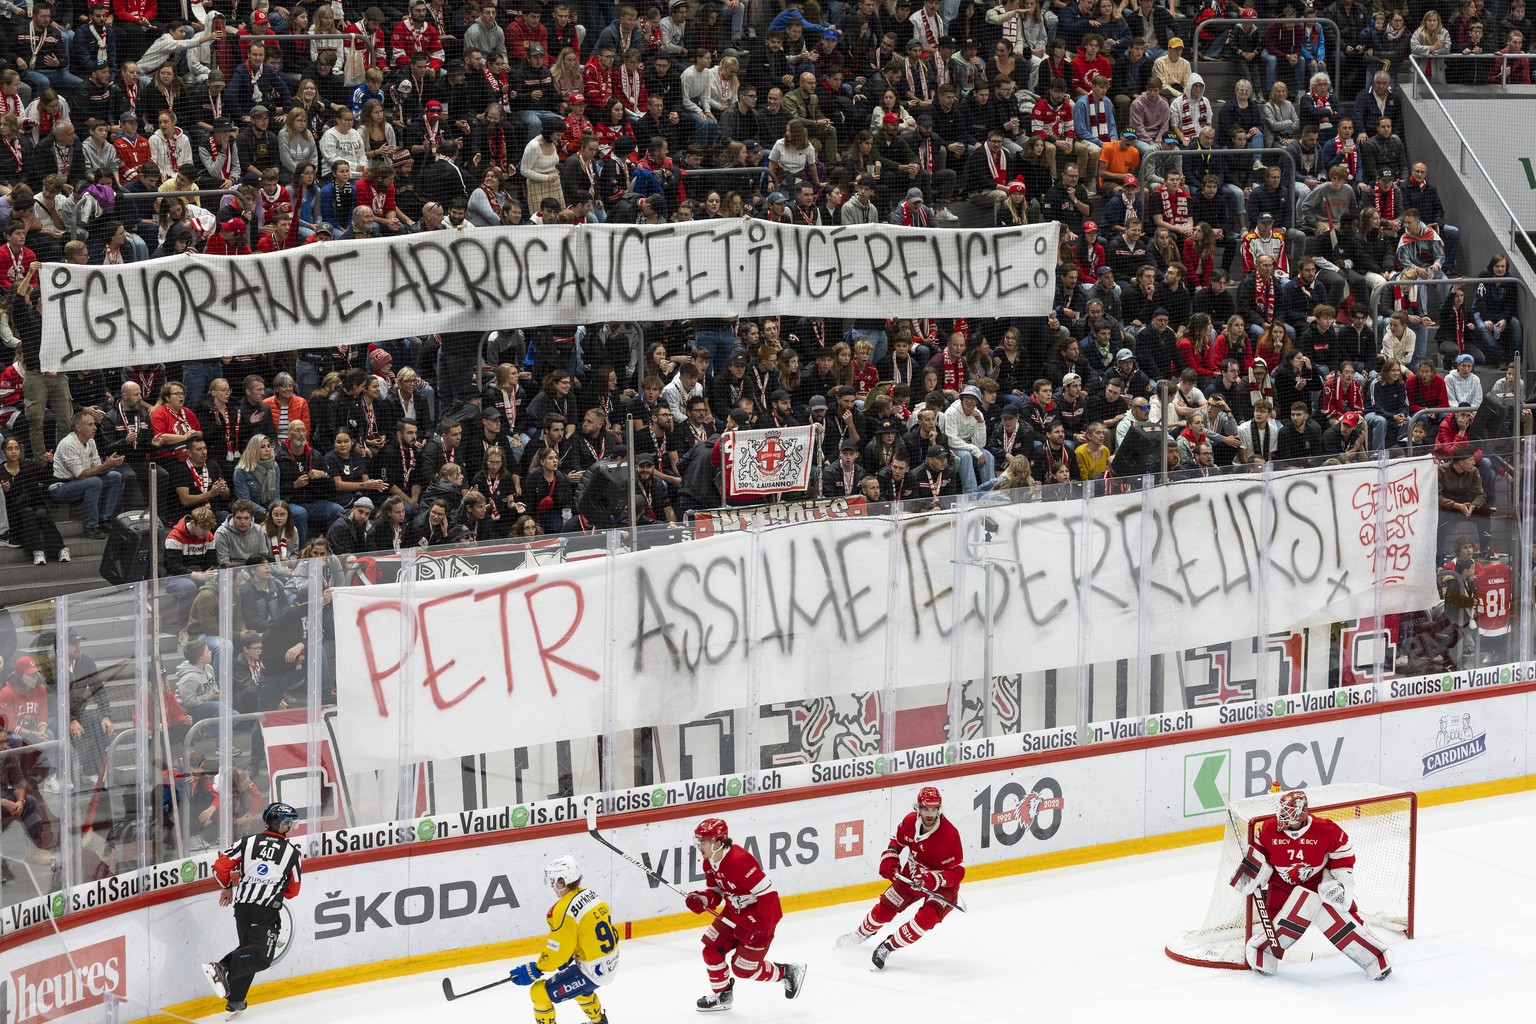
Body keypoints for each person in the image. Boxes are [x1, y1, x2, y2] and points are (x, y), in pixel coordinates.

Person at [1230, 789, 1392, 979]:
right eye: (1282, 811)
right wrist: (1251, 872)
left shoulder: (1325, 830)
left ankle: (1375, 957)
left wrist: (1341, 882)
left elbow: (1343, 852)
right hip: (1282, 886)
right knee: (1276, 926)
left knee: (1345, 918)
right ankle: (1263, 953)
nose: (1282, 816)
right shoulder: (1268, 828)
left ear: (1301, 813)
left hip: (1316, 884)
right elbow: (1259, 852)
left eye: (1288, 813)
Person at [685, 817, 807, 1011]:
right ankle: (722, 995)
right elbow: (716, 893)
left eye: (703, 842)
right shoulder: (709, 862)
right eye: (697, 841)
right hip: (733, 914)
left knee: (743, 970)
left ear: (717, 842)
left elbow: (769, 895)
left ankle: (787, 972)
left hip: (761, 918)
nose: (699, 846)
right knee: (711, 951)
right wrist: (703, 899)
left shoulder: (738, 860)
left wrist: (755, 924)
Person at [837, 786, 965, 968]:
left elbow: (958, 873)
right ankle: (861, 934)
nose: (929, 814)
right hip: (912, 875)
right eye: (925, 809)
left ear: (939, 810)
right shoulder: (909, 822)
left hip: (942, 885)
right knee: (885, 908)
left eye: (934, 809)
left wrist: (932, 880)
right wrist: (891, 857)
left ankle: (887, 947)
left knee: (924, 921)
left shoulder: (949, 835)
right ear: (918, 808)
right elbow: (896, 843)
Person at [204, 802, 303, 1016]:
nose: (293, 827)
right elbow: (293, 890)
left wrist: (227, 887)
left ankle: (236, 1000)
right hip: (265, 909)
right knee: (261, 957)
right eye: (291, 823)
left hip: (242, 908)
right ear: (283, 825)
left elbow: (220, 867)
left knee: (246, 951)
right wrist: (274, 890)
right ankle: (222, 967)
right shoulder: (291, 853)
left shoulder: (247, 842)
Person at [507, 855, 621, 1024]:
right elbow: (586, 933)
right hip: (611, 961)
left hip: (592, 971)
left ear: (562, 880)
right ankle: (599, 1021)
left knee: (538, 992)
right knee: (581, 991)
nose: (553, 886)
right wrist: (571, 954)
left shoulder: (561, 910)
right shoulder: (591, 895)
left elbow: (557, 951)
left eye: (554, 881)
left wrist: (536, 969)